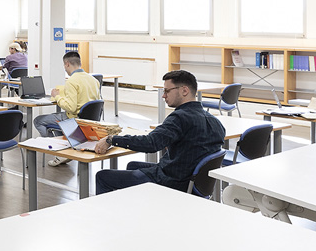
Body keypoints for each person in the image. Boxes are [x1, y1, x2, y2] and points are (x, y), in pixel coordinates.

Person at [94, 70, 225, 194]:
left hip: (172, 182)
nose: (163, 95)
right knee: (132, 165)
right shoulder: (215, 122)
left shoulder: (179, 118)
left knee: (103, 176)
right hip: (190, 180)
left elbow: (150, 144)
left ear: (184, 90)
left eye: (167, 91)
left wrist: (111, 139)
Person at [33, 51, 101, 166]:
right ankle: (64, 147)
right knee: (57, 120)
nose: (65, 68)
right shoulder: (94, 80)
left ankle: (57, 152)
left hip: (74, 119)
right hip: (90, 121)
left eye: (64, 66)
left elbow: (71, 107)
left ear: (67, 64)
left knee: (39, 120)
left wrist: (57, 97)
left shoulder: (72, 81)